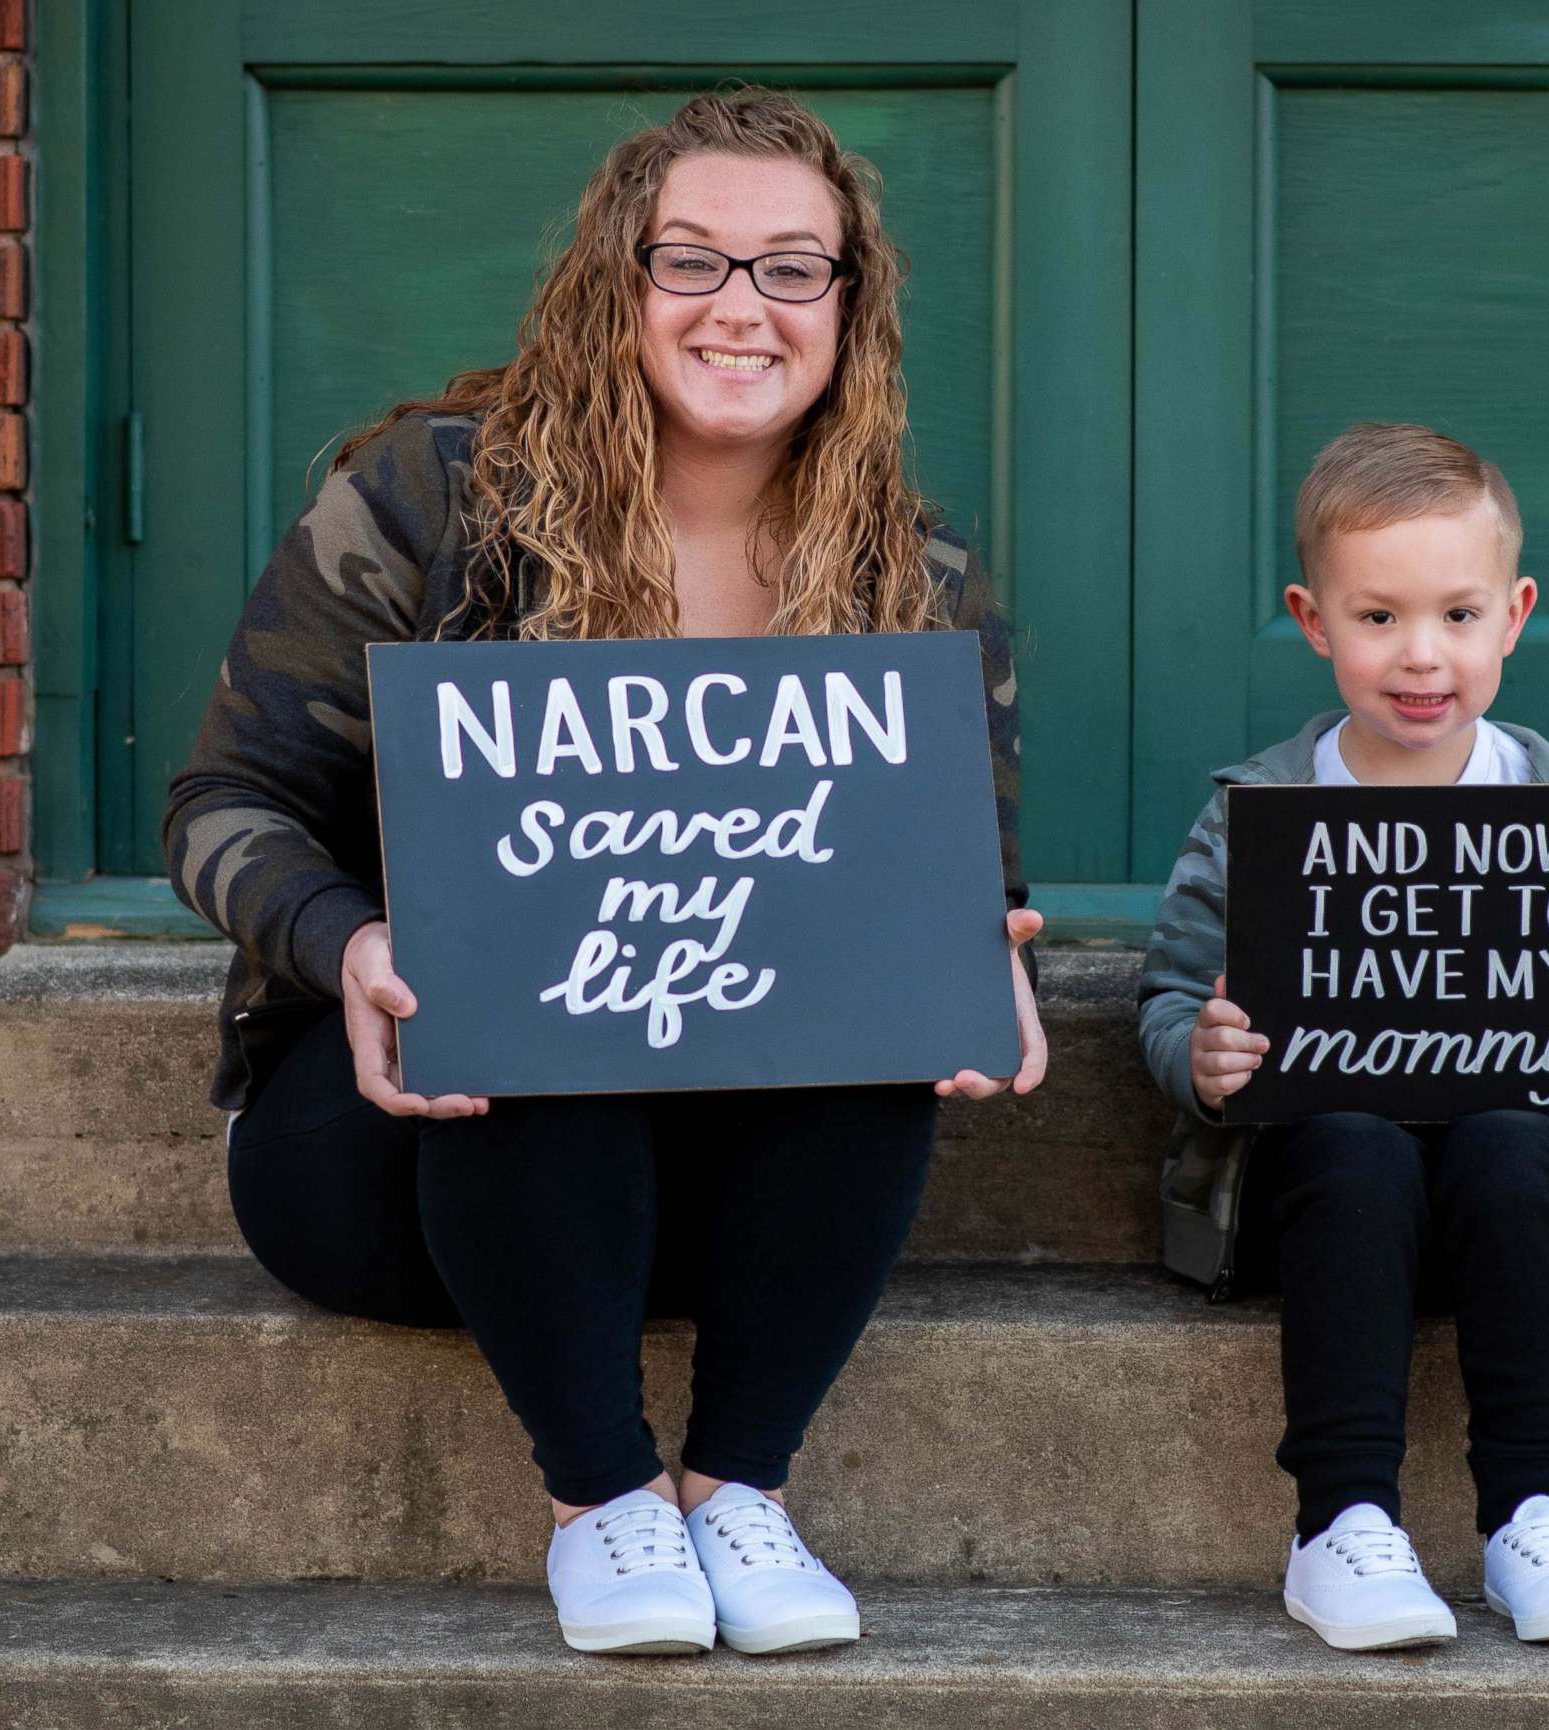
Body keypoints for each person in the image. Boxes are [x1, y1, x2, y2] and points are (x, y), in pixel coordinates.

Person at [163, 86, 1046, 1660]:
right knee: (538, 977)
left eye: (792, 268)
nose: (740, 307)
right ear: (617, 283)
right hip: (408, 1141)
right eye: (692, 259)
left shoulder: (916, 577)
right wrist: (348, 940)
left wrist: (988, 967)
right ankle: (603, 1499)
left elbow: (962, 883)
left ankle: (736, 1490)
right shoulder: (431, 498)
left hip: (730, 1180)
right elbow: (225, 802)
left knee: (868, 1024)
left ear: (849, 307)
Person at [1136, 423, 1549, 1651]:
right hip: (1330, 1195)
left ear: (1516, 614)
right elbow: (1169, 1000)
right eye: (1379, 617)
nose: (1421, 656)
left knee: (1511, 1140)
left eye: (1457, 614)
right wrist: (1204, 1056)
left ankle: (1534, 1515)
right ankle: (1340, 1522)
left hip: (1508, 1195)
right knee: (1350, 1136)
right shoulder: (1258, 814)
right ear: (1312, 618)